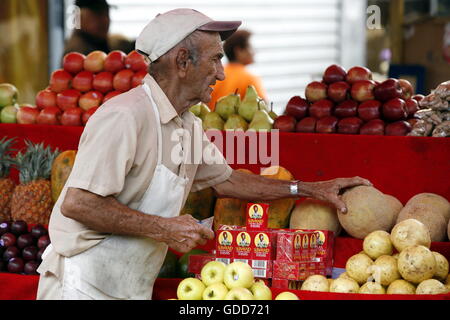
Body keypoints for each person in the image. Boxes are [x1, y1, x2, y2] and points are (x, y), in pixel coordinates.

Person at [37, 8, 371, 300]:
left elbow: (228, 181)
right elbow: (79, 203)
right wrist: (164, 228)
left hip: (128, 284)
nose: (222, 73)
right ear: (182, 61)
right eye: (215, 59)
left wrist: (310, 189)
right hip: (84, 286)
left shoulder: (188, 124)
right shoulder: (126, 116)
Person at [208, 29, 267, 110]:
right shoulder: (249, 78)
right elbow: (263, 108)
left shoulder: (215, 74)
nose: (254, 52)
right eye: (251, 47)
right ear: (239, 51)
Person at [64, 0, 135, 56]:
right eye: (98, 15)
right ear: (78, 17)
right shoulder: (78, 50)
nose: (105, 20)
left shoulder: (99, 41)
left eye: (106, 14)